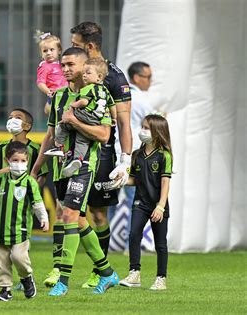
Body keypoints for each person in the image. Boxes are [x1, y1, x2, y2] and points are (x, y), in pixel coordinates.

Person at [31, 47, 119, 296]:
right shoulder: (58, 97)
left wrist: (75, 121)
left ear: (84, 67)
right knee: (79, 220)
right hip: (60, 167)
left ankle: (63, 280)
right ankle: (107, 272)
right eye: (63, 65)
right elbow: (49, 135)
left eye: (71, 64)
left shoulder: (97, 94)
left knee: (69, 216)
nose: (66, 69)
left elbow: (103, 135)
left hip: (83, 166)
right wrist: (37, 168)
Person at [70, 21, 133, 288]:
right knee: (70, 210)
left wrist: (126, 160)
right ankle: (57, 273)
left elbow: (124, 121)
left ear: (91, 46)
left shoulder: (115, 78)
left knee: (97, 214)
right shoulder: (73, 69)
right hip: (72, 150)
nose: (72, 50)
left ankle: (100, 271)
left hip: (102, 152)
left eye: (76, 44)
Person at [0, 141, 49, 302]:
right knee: (2, 262)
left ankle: (26, 278)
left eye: (23, 161)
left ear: (28, 161)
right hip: (1, 231)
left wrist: (43, 218)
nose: (19, 164)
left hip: (20, 231)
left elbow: (37, 203)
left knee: (18, 257)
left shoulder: (30, 182)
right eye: (15, 160)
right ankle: (5, 290)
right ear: (7, 160)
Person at [119, 114, 172, 290]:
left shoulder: (165, 156)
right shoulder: (137, 155)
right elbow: (134, 180)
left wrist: (161, 206)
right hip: (140, 203)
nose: (142, 131)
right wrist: (121, 180)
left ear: (157, 132)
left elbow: (165, 183)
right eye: (142, 127)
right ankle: (135, 273)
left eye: (146, 128)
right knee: (134, 234)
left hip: (158, 205)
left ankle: (161, 278)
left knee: (160, 244)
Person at [45, 57, 116, 178]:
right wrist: (114, 118)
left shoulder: (88, 88)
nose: (84, 76)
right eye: (84, 73)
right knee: (82, 140)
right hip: (96, 120)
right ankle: (78, 159)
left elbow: (84, 102)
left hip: (86, 115)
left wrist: (72, 105)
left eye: (88, 73)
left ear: (99, 77)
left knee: (63, 123)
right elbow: (112, 105)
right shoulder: (105, 91)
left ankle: (59, 146)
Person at [109, 62, 154, 243]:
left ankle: (107, 243)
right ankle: (132, 244)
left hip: (113, 152)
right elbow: (154, 124)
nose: (150, 81)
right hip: (132, 155)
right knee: (134, 201)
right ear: (136, 78)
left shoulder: (117, 96)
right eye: (148, 77)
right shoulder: (141, 100)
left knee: (109, 201)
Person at [0, 108, 48, 186]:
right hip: (3, 195)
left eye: (18, 117)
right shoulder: (2, 146)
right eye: (10, 117)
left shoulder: (35, 149)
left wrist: (32, 190)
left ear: (27, 126)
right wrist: (7, 170)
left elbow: (42, 176)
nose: (13, 120)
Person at [34, 30, 68, 115]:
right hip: (54, 96)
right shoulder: (45, 66)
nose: (48, 53)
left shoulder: (62, 64)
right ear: (41, 54)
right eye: (45, 51)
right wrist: (48, 92)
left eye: (52, 50)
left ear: (59, 50)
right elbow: (40, 82)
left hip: (65, 94)